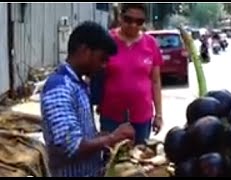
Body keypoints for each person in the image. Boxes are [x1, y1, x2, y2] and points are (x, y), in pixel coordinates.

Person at [40, 21, 135, 177]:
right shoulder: (60, 88)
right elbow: (70, 146)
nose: (104, 65)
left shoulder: (78, 84)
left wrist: (106, 138)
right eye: (102, 58)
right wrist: (112, 138)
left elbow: (82, 136)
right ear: (84, 51)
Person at [96, 3, 164, 145]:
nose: (133, 25)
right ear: (121, 17)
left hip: (141, 116)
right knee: (112, 159)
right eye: (128, 19)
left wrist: (158, 115)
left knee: (139, 158)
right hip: (111, 115)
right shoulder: (107, 41)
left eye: (139, 22)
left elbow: (156, 82)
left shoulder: (150, 44)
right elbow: (95, 74)